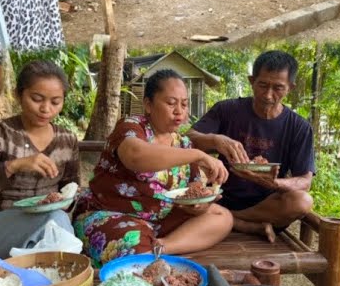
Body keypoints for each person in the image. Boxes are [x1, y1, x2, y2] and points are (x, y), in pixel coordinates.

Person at [74, 69, 232, 266]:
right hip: (111, 215)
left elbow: (192, 196)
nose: (179, 111)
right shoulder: (131, 127)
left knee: (222, 216)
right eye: (171, 103)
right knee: (133, 244)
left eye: (184, 104)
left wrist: (199, 206)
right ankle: (147, 251)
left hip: (160, 222)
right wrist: (199, 154)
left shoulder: (183, 144)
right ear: (148, 105)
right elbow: (136, 155)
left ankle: (161, 247)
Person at [188, 50, 316, 240]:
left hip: (268, 206)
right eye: (262, 85)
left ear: (290, 87)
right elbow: (188, 138)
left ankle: (233, 219)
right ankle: (243, 224)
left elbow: (305, 181)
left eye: (278, 88)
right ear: (251, 81)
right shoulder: (227, 109)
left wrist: (275, 183)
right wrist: (215, 140)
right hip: (221, 196)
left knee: (302, 201)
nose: (268, 95)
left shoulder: (299, 127)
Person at [0, 59, 81, 252]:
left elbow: (70, 189)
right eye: (37, 99)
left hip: (49, 225)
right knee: (56, 226)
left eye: (55, 102)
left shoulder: (66, 139)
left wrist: (62, 200)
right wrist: (12, 166)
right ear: (18, 95)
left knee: (55, 224)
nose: (46, 109)